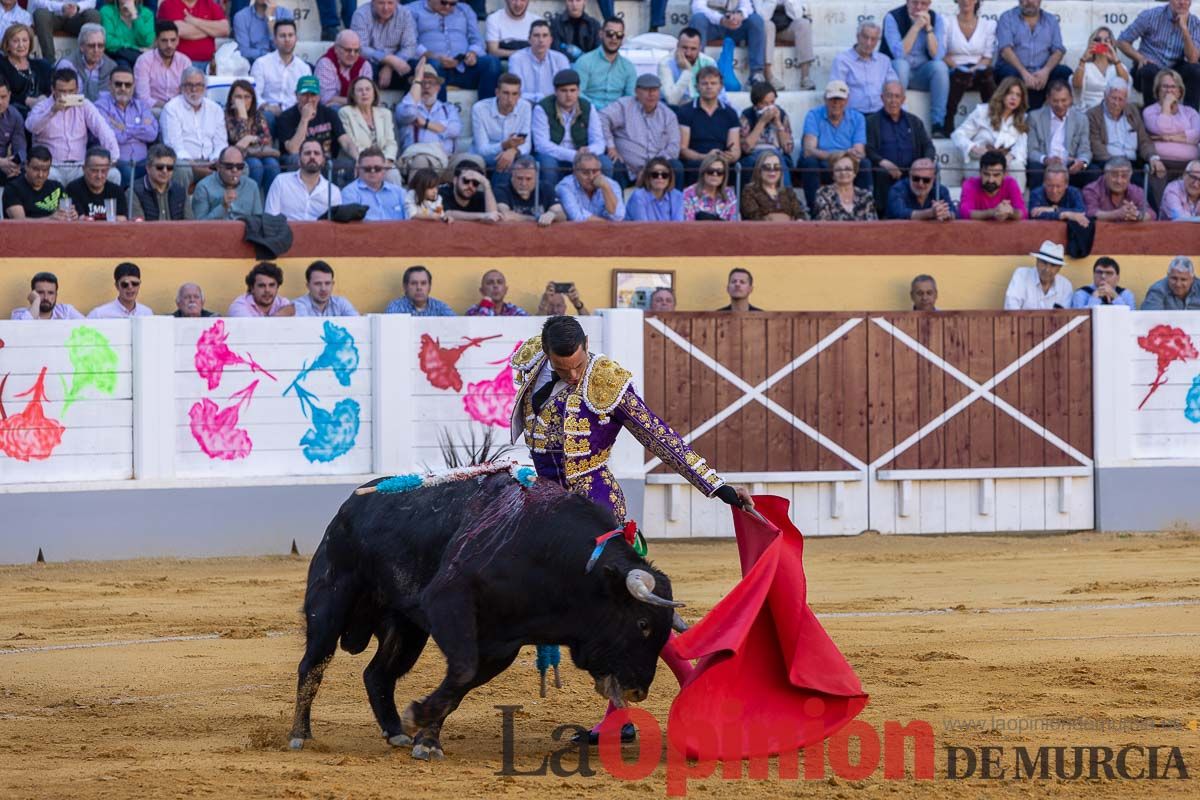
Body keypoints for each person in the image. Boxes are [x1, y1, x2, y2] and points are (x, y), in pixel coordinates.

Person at [508, 314, 750, 745]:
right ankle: (622, 716)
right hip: (548, 509)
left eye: (578, 364)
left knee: (630, 608)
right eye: (563, 368)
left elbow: (660, 437)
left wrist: (717, 485)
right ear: (546, 354)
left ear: (586, 346)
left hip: (596, 506)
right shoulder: (531, 362)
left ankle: (695, 685)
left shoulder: (607, 382)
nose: (573, 374)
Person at [25, 68, 119, 186]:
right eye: (62, 91)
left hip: (80, 167)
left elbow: (103, 129)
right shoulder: (42, 106)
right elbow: (31, 126)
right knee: (45, 176)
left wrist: (113, 157)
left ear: (77, 89)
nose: (67, 95)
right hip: (51, 167)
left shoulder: (84, 105)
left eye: (71, 91)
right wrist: (52, 111)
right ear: (53, 90)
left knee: (113, 174)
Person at [532, 68, 607, 203]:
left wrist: (588, 154)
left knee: (606, 163)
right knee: (548, 164)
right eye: (564, 91)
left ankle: (599, 203)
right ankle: (551, 204)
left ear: (578, 91)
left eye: (572, 90)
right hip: (555, 155)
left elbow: (599, 141)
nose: (569, 95)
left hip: (583, 156)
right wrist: (574, 155)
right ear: (555, 92)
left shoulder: (588, 107)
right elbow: (541, 145)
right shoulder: (542, 108)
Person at [880, 0, 950, 136]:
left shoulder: (937, 19)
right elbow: (899, 53)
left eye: (923, 4)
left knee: (940, 67)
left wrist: (929, 29)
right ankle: (897, 117)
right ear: (907, 1)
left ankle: (938, 123)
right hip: (897, 73)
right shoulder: (892, 17)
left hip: (922, 73)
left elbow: (937, 55)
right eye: (915, 2)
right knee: (901, 64)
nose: (918, 7)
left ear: (929, 4)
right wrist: (916, 27)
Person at [798, 79, 869, 211]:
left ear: (847, 100)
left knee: (865, 164)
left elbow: (859, 152)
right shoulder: (814, 115)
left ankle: (862, 209)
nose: (836, 103)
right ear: (825, 99)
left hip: (846, 163)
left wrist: (843, 159)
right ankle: (815, 210)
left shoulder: (857, 118)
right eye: (832, 99)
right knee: (809, 162)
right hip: (823, 162)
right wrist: (837, 155)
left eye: (840, 99)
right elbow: (809, 150)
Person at [1117, 0, 1200, 110]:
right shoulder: (1151, 16)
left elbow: (1193, 59)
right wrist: (1140, 58)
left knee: (1195, 70)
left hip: (1174, 71)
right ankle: (1151, 117)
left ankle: (1191, 116)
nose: (1182, 2)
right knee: (1148, 70)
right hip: (1148, 69)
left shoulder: (1194, 23)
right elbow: (1122, 41)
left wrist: (1184, 29)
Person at [409, 0, 501, 100]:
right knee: (432, 65)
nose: (448, 7)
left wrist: (473, 53)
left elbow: (477, 39)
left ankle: (486, 111)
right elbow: (409, 43)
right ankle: (438, 113)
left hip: (463, 67)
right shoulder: (412, 10)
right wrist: (433, 56)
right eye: (443, 2)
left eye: (452, 4)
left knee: (492, 62)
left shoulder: (465, 9)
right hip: (432, 66)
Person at [602, 73, 681, 186]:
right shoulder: (624, 106)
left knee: (676, 165)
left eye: (655, 90)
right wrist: (610, 146)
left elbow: (674, 148)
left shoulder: (668, 115)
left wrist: (651, 168)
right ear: (636, 91)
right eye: (646, 90)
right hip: (626, 166)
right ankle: (617, 203)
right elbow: (602, 118)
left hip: (657, 169)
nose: (651, 94)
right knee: (613, 163)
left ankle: (674, 203)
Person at [866, 80, 934, 210]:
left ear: (903, 100)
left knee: (926, 173)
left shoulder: (914, 121)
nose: (893, 100)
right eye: (889, 96)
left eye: (897, 96)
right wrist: (883, 162)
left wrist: (924, 163)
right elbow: (868, 148)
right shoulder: (871, 121)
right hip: (886, 171)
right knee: (882, 172)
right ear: (882, 98)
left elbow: (928, 146)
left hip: (913, 171)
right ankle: (885, 215)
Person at [993, 0, 1070, 111]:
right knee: (1010, 74)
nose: (1029, 2)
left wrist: (1046, 71)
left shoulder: (1051, 20)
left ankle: (1056, 118)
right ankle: (1022, 115)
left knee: (1064, 72)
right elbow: (1005, 50)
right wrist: (1024, 73)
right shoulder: (1007, 18)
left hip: (1041, 73)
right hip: (1016, 71)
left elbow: (1058, 50)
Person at [276, 75, 355, 181]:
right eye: (304, 95)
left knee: (350, 164)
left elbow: (346, 141)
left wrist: (359, 158)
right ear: (296, 95)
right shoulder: (286, 117)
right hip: (298, 160)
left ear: (319, 96)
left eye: (313, 95)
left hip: (325, 159)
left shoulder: (329, 113)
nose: (309, 99)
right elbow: (293, 149)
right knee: (295, 159)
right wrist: (304, 119)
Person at [951, 75, 1028, 182]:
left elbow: (1021, 147)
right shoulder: (983, 111)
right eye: (1010, 93)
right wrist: (974, 148)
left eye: (1018, 95)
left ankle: (1016, 199)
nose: (1013, 98)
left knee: (1017, 166)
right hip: (980, 161)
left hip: (1006, 163)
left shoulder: (1023, 119)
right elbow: (958, 135)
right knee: (987, 169)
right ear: (1002, 94)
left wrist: (1005, 161)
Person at [1086, 77, 1162, 184]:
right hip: (1107, 164)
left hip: (1132, 164)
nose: (1116, 103)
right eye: (1113, 98)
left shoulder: (1133, 112)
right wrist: (1117, 165)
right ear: (1105, 96)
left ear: (1126, 100)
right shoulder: (1093, 115)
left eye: (1120, 99)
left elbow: (1144, 140)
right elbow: (1096, 146)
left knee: (1147, 190)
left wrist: (1153, 157)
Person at [1142, 68, 1200, 206]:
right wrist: (1166, 105)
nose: (1169, 91)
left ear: (1180, 92)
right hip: (1162, 162)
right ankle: (1161, 220)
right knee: (1156, 174)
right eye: (1165, 86)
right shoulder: (1150, 111)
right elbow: (1162, 128)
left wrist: (1169, 138)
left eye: (1173, 87)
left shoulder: (1190, 112)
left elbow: (1197, 134)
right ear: (1157, 90)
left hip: (1190, 164)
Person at [94, 67, 157, 189]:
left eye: (127, 85)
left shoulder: (141, 106)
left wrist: (124, 128)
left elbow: (152, 134)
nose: (123, 88)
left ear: (133, 87)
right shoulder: (100, 106)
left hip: (144, 161)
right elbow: (115, 137)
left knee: (161, 170)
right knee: (128, 174)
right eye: (118, 84)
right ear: (110, 85)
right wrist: (140, 128)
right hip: (119, 162)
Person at [160, 67, 223, 187]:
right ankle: (181, 206)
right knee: (181, 168)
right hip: (187, 163)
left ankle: (235, 206)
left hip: (212, 162)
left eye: (198, 85)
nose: (194, 89)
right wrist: (196, 166)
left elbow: (221, 143)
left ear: (205, 87)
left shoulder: (215, 109)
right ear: (181, 88)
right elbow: (175, 148)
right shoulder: (171, 108)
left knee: (241, 166)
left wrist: (216, 161)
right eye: (189, 85)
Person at [676, 66, 740, 182]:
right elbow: (682, 150)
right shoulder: (685, 111)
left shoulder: (730, 113)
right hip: (695, 161)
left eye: (713, 83)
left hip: (722, 161)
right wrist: (705, 158)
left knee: (738, 168)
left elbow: (735, 149)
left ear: (720, 87)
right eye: (704, 83)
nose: (709, 87)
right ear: (697, 87)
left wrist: (730, 157)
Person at [1026, 80, 1090, 189]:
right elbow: (1031, 150)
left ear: (1071, 98)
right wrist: (1046, 160)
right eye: (1055, 101)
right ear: (1048, 99)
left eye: (1063, 100)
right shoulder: (1035, 117)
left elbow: (1085, 150)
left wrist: (1082, 163)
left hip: (1070, 162)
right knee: (1035, 168)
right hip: (1045, 163)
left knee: (1091, 171)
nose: (1060, 105)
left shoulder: (1081, 119)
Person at [471, 72, 531, 187]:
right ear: (497, 93)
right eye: (506, 93)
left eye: (514, 94)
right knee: (506, 162)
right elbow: (482, 150)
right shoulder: (479, 108)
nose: (510, 99)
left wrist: (512, 151)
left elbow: (527, 144)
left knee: (528, 161)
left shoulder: (525, 107)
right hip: (485, 157)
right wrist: (504, 146)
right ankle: (499, 201)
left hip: (512, 155)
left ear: (519, 95)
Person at [944, 0, 996, 133]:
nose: (966, 1)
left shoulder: (988, 25)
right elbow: (943, 54)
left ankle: (993, 121)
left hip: (978, 69)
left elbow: (987, 57)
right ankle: (948, 120)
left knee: (987, 74)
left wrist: (973, 70)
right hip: (954, 68)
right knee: (960, 75)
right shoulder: (947, 22)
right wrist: (959, 68)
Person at [688, 0, 766, 85]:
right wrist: (720, 19)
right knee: (698, 19)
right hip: (712, 25)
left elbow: (747, 7)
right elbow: (698, 7)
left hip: (735, 25)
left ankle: (756, 73)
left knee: (756, 20)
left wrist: (740, 15)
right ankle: (697, 70)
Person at [265, 137, 342, 221]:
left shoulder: (333, 191)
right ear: (299, 160)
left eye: (316, 153)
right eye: (307, 153)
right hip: (286, 233)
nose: (312, 157)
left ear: (323, 160)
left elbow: (335, 228)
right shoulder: (281, 182)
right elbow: (270, 219)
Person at [831, 21, 897, 116]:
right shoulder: (842, 60)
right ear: (858, 37)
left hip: (880, 115)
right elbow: (836, 91)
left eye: (873, 39)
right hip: (854, 115)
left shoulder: (884, 61)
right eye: (865, 37)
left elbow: (894, 88)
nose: (869, 43)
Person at [395, 59, 460, 157]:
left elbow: (455, 130)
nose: (426, 86)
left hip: (449, 158)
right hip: (418, 157)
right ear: (415, 86)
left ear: (438, 88)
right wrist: (417, 80)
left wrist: (425, 124)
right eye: (422, 83)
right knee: (423, 162)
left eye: (431, 83)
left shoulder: (449, 108)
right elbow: (410, 113)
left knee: (473, 161)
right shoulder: (404, 107)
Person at [249, 18, 310, 122]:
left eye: (290, 35)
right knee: (267, 117)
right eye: (282, 36)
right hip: (269, 113)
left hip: (294, 114)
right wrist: (266, 107)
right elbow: (254, 94)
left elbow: (307, 97)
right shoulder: (261, 64)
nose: (287, 39)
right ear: (275, 40)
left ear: (296, 38)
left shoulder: (304, 68)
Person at [225, 78, 279, 193]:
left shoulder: (258, 116)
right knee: (255, 165)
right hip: (236, 158)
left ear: (253, 99)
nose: (243, 101)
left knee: (272, 164)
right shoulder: (225, 117)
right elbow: (236, 140)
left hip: (258, 153)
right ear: (231, 99)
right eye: (238, 97)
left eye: (247, 97)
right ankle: (251, 205)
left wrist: (250, 139)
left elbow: (267, 140)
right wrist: (243, 116)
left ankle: (270, 208)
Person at [738, 80, 794, 187]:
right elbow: (746, 148)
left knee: (777, 160)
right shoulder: (747, 115)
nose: (770, 106)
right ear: (756, 104)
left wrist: (778, 123)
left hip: (776, 153)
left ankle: (787, 198)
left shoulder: (781, 114)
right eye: (765, 103)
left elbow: (788, 148)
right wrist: (762, 122)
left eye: (772, 102)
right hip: (754, 154)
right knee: (755, 162)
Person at [574, 16, 635, 112]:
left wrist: (615, 111)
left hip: (618, 116)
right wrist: (599, 109)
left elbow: (631, 97)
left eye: (619, 35)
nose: (614, 38)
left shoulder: (628, 67)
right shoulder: (584, 62)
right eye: (610, 33)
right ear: (601, 34)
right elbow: (577, 93)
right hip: (589, 113)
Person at [192, 144, 263, 219]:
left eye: (239, 167)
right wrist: (223, 207)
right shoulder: (204, 187)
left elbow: (258, 220)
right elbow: (200, 226)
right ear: (219, 166)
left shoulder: (251, 186)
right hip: (216, 230)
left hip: (245, 230)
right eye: (229, 166)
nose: (234, 170)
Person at [155, 0, 228, 73]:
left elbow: (225, 29)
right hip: (179, 65)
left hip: (208, 65)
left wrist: (195, 21)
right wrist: (211, 30)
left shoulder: (209, 3)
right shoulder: (168, 4)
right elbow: (178, 30)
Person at [134, 22, 191, 111]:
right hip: (153, 110)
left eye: (173, 40)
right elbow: (142, 98)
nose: (169, 45)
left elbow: (188, 93)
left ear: (178, 40)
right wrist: (168, 107)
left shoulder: (184, 62)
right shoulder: (144, 61)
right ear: (156, 41)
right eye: (164, 40)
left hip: (179, 110)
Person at [30, 0, 101, 72]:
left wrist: (77, 7)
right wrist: (61, 7)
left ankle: (89, 63)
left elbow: (91, 2)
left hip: (76, 15)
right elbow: (37, 1)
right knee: (40, 14)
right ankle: (50, 64)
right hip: (53, 14)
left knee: (93, 15)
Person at [494, 155, 566, 225]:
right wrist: (536, 218)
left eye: (528, 179)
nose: (524, 183)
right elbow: (505, 215)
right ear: (512, 176)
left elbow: (562, 214)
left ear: (536, 178)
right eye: (519, 178)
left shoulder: (546, 188)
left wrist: (552, 214)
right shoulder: (502, 190)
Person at [508, 20, 567, 104]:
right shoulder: (517, 59)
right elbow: (516, 91)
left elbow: (565, 90)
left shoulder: (561, 59)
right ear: (529, 40)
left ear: (550, 40)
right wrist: (542, 98)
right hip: (525, 105)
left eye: (545, 35)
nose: (541, 40)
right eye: (536, 35)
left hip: (553, 106)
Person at [558, 148, 624, 221]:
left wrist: (606, 188)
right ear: (575, 172)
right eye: (585, 173)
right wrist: (607, 224)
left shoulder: (612, 185)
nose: (591, 177)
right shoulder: (565, 186)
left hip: (607, 231)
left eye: (595, 171)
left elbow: (618, 216)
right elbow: (577, 217)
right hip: (577, 231)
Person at [342, 145, 407, 219]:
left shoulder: (399, 193)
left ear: (384, 169)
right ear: (358, 169)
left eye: (377, 168)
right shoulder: (350, 193)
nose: (372, 171)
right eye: (367, 168)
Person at [957, 149, 1025, 219]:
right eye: (986, 174)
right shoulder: (970, 184)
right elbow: (964, 213)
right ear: (980, 172)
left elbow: (1023, 213)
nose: (990, 180)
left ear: (1005, 174)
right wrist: (992, 212)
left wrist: (1010, 212)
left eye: (996, 175)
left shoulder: (1011, 183)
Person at [1072, 26, 1128, 111]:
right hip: (1089, 110)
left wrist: (1115, 59)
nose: (1102, 43)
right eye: (1098, 40)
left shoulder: (1118, 66)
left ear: (1112, 43)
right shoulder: (1085, 66)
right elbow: (1076, 86)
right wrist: (1083, 59)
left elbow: (1125, 83)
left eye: (1106, 40)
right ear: (1091, 42)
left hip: (1112, 110)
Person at [0, 23, 51, 116]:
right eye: (15, 41)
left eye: (25, 40)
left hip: (41, 112)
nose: (21, 45)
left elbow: (51, 89)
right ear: (7, 45)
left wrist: (44, 98)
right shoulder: (2, 65)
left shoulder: (42, 65)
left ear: (30, 43)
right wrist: (27, 101)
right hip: (12, 114)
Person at [740, 149, 806, 221]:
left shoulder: (788, 192)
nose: (772, 171)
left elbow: (800, 214)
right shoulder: (750, 191)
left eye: (776, 167)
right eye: (767, 167)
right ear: (758, 170)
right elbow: (754, 217)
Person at [1003, 240, 1071, 310]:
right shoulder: (1021, 276)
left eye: (1053, 265)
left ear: (1059, 268)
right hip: (1020, 321)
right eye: (1044, 263)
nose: (1047, 269)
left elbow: (1063, 317)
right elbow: (1011, 310)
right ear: (1037, 261)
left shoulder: (1065, 286)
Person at [658, 26, 716, 107]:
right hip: (676, 110)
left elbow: (719, 94)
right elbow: (671, 100)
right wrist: (687, 71)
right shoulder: (665, 63)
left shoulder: (709, 62)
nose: (688, 53)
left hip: (702, 109)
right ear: (678, 45)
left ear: (700, 48)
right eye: (684, 48)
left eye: (693, 49)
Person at [55, 23, 115, 101]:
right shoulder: (67, 65)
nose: (96, 50)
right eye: (91, 46)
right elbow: (68, 98)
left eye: (100, 46)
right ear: (82, 47)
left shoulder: (111, 67)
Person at [131, 142, 192, 219]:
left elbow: (189, 224)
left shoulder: (180, 191)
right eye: (160, 167)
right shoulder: (134, 192)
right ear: (148, 168)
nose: (165, 171)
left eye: (169, 167)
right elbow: (139, 227)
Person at [1083, 157, 1155, 222]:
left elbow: (1151, 214)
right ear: (1105, 174)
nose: (1119, 181)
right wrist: (1117, 214)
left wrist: (1136, 215)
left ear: (1130, 176)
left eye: (1124, 176)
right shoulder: (1091, 190)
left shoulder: (1136, 191)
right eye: (1114, 175)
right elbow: (1090, 214)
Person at [316, 29, 373, 109]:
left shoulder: (365, 66)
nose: (352, 54)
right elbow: (326, 99)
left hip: (360, 110)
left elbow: (369, 97)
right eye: (348, 50)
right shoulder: (325, 63)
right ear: (336, 49)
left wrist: (354, 101)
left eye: (356, 50)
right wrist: (358, 100)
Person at [2, 145, 65, 218]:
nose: (40, 175)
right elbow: (20, 223)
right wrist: (51, 219)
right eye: (36, 169)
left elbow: (66, 212)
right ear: (26, 166)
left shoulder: (57, 187)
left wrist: (72, 215)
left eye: (45, 170)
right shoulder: (13, 189)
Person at [65, 146, 126, 219]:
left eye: (103, 171)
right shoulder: (73, 189)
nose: (99, 176)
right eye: (94, 170)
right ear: (84, 169)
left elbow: (122, 218)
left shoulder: (116, 191)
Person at [814, 150, 877, 221]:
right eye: (838, 170)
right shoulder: (823, 194)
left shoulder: (866, 196)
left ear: (854, 173)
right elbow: (823, 225)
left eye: (848, 169)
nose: (843, 173)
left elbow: (872, 225)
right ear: (832, 174)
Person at [885, 156, 953, 220]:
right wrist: (930, 213)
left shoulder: (941, 190)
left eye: (926, 180)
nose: (921, 184)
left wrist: (947, 214)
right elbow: (900, 213)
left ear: (933, 179)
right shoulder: (897, 189)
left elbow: (955, 213)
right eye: (916, 178)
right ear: (910, 175)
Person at [682, 150, 737, 221]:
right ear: (703, 173)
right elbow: (688, 225)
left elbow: (734, 225)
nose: (715, 174)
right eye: (710, 171)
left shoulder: (729, 193)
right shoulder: (688, 194)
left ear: (724, 176)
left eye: (719, 172)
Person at [625, 155, 684, 221]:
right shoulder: (639, 196)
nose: (660, 177)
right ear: (648, 177)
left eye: (664, 175)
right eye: (655, 174)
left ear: (670, 178)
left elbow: (678, 225)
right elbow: (643, 228)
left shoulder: (677, 196)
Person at [293, 260, 359, 317]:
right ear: (308, 286)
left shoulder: (341, 303)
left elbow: (357, 325)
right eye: (318, 284)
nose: (323, 288)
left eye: (327, 283)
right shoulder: (298, 305)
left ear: (332, 284)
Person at [229, 261, 295, 317]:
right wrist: (278, 316)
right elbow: (252, 330)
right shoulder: (239, 306)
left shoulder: (282, 303)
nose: (267, 290)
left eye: (271, 285)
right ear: (252, 288)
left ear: (277, 287)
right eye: (261, 286)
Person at [385, 265, 455, 316]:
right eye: (414, 283)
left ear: (429, 286)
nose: (419, 288)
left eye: (423, 283)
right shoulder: (396, 308)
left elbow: (457, 327)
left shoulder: (440, 307)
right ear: (405, 287)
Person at [11, 271, 83, 319]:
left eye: (50, 293)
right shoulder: (19, 314)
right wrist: (36, 301)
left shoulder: (65, 311)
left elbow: (88, 327)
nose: (46, 297)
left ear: (56, 295)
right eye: (40, 292)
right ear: (33, 294)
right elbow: (21, 331)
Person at [1070, 257, 1135, 309]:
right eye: (1099, 272)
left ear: (1117, 278)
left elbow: (1130, 319)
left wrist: (1115, 297)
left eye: (1109, 273)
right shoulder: (1081, 294)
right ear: (1093, 275)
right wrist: (1094, 298)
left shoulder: (1126, 294)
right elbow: (1079, 322)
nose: (1103, 276)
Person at [0, 77, 27, 186]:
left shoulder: (14, 116)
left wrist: (15, 165)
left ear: (10, 95)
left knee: (25, 175)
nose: (0, 102)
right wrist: (1, 163)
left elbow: (20, 148)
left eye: (3, 97)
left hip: (5, 164)